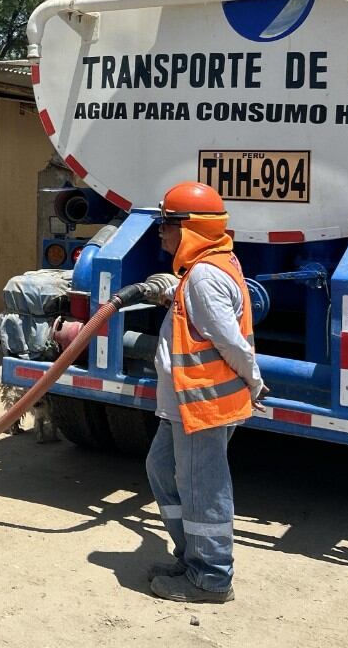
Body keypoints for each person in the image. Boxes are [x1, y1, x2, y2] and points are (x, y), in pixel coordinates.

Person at [140, 181, 267, 603]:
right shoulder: (203, 268)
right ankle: (191, 554)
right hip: (185, 403)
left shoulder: (205, 277)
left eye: (167, 222)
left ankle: (210, 576)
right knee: (161, 468)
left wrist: (253, 379)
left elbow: (230, 341)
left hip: (203, 405)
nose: (160, 230)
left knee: (203, 487)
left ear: (190, 227)